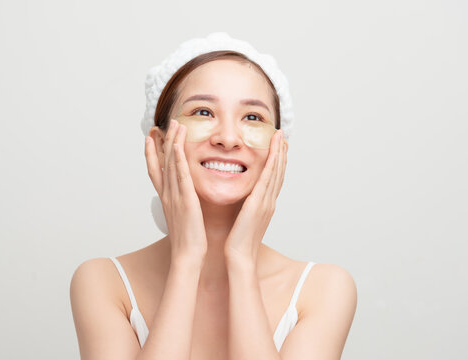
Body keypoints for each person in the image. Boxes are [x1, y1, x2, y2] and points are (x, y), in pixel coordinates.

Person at [70, 32, 357, 360]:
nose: (229, 138)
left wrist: (241, 260)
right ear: (161, 144)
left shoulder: (323, 290)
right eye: (203, 112)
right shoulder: (103, 283)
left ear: (278, 150)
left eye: (253, 117)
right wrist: (187, 259)